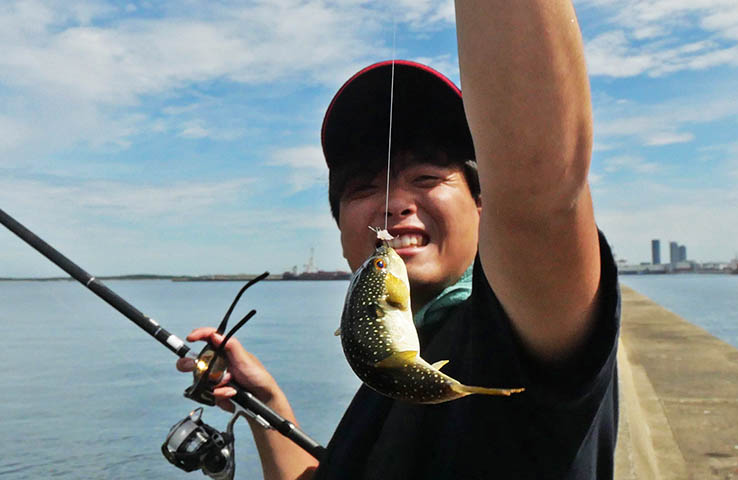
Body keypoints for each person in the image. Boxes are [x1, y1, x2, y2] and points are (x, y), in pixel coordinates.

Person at [178, 1, 620, 479]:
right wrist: (265, 402)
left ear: (484, 206)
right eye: (363, 189)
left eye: (427, 177)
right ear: (341, 233)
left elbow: (540, 191)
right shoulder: (390, 363)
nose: (393, 204)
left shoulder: (522, 327)